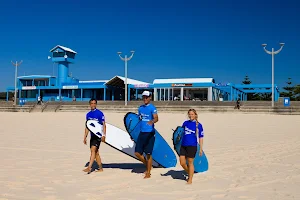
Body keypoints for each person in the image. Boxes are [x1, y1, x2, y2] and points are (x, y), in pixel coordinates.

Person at [134, 91, 158, 179]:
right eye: (144, 97)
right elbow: (138, 121)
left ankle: (148, 172)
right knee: (137, 153)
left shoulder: (152, 108)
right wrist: (133, 134)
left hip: (150, 133)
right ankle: (148, 165)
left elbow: (156, 118)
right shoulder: (140, 108)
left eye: (147, 97)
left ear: (150, 98)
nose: (145, 99)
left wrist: (151, 121)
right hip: (142, 132)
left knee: (148, 154)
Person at [180, 109, 204, 184]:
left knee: (190, 163)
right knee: (182, 162)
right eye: (189, 114)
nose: (191, 116)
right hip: (183, 145)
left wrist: (200, 149)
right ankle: (190, 172)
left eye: (192, 114)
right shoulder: (185, 123)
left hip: (192, 146)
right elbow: (181, 132)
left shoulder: (198, 125)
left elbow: (201, 137)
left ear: (195, 115)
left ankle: (190, 179)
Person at [83, 98, 106, 174]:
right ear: (90, 104)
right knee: (96, 153)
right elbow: (87, 126)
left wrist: (103, 135)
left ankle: (89, 167)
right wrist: (85, 137)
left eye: (94, 103)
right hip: (92, 136)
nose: (93, 105)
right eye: (91, 103)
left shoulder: (100, 113)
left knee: (93, 150)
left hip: (98, 135)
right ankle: (101, 168)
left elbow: (104, 125)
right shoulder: (88, 114)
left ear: (96, 104)